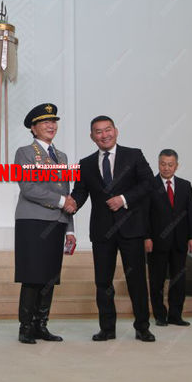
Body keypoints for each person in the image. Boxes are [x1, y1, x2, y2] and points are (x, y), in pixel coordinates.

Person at [67, 115, 155, 342]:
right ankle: (107, 329)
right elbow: (80, 192)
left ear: (115, 131)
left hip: (131, 229)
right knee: (103, 282)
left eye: (107, 130)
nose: (104, 135)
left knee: (136, 280)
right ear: (92, 136)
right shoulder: (85, 163)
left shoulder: (134, 155)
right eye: (98, 131)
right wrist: (71, 204)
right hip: (102, 230)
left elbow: (149, 184)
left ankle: (142, 327)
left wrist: (123, 199)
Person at [14, 103, 76, 344]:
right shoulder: (25, 153)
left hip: (57, 222)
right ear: (33, 127)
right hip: (33, 221)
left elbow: (67, 194)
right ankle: (26, 327)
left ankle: (41, 325)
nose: (51, 126)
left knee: (50, 277)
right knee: (32, 275)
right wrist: (61, 202)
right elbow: (28, 187)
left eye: (54, 122)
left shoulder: (62, 157)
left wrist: (70, 229)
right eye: (45, 122)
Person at [145, 149, 192, 327]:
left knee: (178, 280)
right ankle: (160, 315)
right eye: (163, 164)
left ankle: (176, 315)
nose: (166, 168)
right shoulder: (149, 185)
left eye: (170, 164)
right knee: (157, 280)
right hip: (156, 241)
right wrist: (146, 237)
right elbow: (144, 214)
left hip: (180, 241)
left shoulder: (185, 185)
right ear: (158, 164)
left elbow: (191, 212)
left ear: (176, 166)